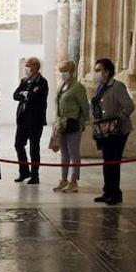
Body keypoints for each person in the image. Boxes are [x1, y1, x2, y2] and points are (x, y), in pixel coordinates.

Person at [91, 57, 135, 205]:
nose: (96, 73)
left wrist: (117, 120)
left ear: (107, 72)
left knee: (113, 162)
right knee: (107, 161)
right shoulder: (101, 87)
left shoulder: (117, 86)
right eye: (95, 70)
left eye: (99, 70)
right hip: (105, 131)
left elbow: (129, 106)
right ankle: (107, 191)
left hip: (118, 131)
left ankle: (115, 194)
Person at [52, 61, 88, 194]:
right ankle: (63, 179)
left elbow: (84, 106)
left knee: (74, 152)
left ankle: (74, 181)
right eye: (61, 71)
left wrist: (84, 122)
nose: (63, 73)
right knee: (64, 153)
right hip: (62, 124)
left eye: (65, 70)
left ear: (72, 71)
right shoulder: (62, 86)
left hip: (73, 123)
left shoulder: (78, 87)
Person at [12, 56, 49, 184]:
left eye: (28, 65)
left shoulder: (42, 82)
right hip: (22, 119)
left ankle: (35, 175)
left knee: (34, 147)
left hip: (35, 120)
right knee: (18, 144)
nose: (26, 68)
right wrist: (24, 94)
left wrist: (26, 94)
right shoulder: (24, 81)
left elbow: (35, 97)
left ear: (36, 67)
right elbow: (15, 95)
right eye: (26, 65)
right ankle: (24, 172)